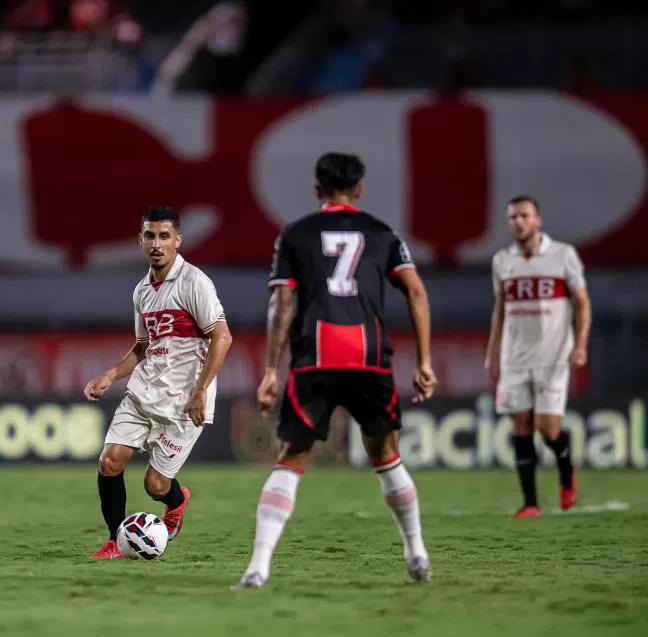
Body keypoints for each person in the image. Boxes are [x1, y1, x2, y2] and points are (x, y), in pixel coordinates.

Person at [233, 152, 437, 588]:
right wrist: (424, 362)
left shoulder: (296, 235)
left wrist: (271, 370)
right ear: (359, 190)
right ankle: (417, 553)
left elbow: (282, 304)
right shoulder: (383, 234)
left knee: (291, 459)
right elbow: (417, 293)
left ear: (316, 190)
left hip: (315, 359)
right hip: (369, 358)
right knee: (386, 456)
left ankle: (257, 568)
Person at [84, 204, 233, 559]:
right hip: (144, 391)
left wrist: (201, 390)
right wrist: (110, 374)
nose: (156, 244)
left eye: (164, 236)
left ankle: (177, 501)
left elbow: (222, 336)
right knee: (109, 462)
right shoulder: (142, 291)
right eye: (150, 236)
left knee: (155, 485)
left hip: (183, 401)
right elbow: (142, 346)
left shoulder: (194, 282)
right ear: (140, 240)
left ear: (177, 240)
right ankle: (115, 541)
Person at [485, 195, 591, 518]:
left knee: (547, 428)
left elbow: (582, 303)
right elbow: (500, 310)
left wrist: (580, 344)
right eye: (513, 217)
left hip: (553, 356)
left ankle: (566, 469)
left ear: (538, 220)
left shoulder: (563, 255)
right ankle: (530, 503)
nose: (518, 222)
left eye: (524, 216)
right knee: (520, 424)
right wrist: (492, 353)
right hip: (514, 358)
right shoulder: (502, 261)